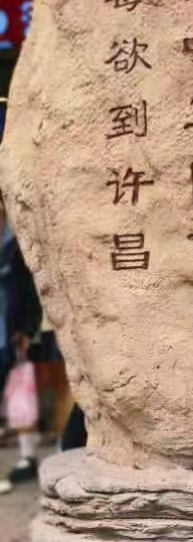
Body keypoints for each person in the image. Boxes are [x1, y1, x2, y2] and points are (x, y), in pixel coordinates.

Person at [0, 197, 42, 495]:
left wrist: (27, 330)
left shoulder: (15, 249)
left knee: (20, 397)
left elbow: (30, 292)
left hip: (9, 334)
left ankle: (27, 458)